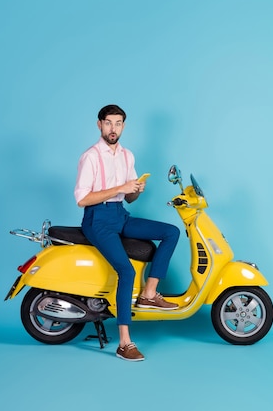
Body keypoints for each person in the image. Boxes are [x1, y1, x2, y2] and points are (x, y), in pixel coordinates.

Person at [74, 104, 181, 362]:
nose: (113, 128)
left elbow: (129, 198)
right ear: (99, 124)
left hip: (120, 214)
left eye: (118, 123)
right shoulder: (90, 157)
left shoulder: (127, 156)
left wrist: (135, 190)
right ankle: (124, 343)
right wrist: (120, 187)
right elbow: (82, 199)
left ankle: (148, 294)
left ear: (124, 126)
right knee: (127, 270)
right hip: (97, 219)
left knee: (171, 232)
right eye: (109, 123)